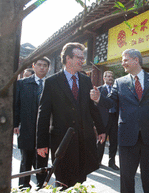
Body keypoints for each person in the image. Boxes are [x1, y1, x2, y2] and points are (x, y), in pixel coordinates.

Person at [90, 48, 149, 193]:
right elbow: (111, 103)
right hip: (127, 136)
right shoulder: (120, 82)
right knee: (126, 176)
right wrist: (99, 98)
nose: (122, 63)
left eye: (125, 60)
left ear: (136, 60)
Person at [36, 42, 106, 189]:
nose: (83, 61)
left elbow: (91, 107)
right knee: (63, 179)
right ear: (68, 58)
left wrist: (101, 129)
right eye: (79, 57)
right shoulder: (52, 82)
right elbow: (43, 114)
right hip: (62, 140)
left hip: (83, 139)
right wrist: (42, 143)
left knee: (80, 178)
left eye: (83, 57)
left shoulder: (86, 80)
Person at [14, 57, 51, 189]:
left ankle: (42, 185)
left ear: (48, 68)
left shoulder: (50, 84)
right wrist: (14, 124)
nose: (42, 67)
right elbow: (16, 105)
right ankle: (23, 185)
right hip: (27, 128)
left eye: (45, 65)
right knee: (26, 160)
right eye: (39, 65)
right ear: (34, 66)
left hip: (44, 130)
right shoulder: (22, 84)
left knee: (42, 160)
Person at [97, 71, 119, 170]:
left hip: (114, 118)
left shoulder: (117, 90)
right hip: (103, 119)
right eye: (108, 76)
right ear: (104, 78)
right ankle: (97, 161)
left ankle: (112, 162)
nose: (110, 78)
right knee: (101, 141)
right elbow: (95, 108)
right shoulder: (99, 90)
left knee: (114, 141)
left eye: (111, 76)